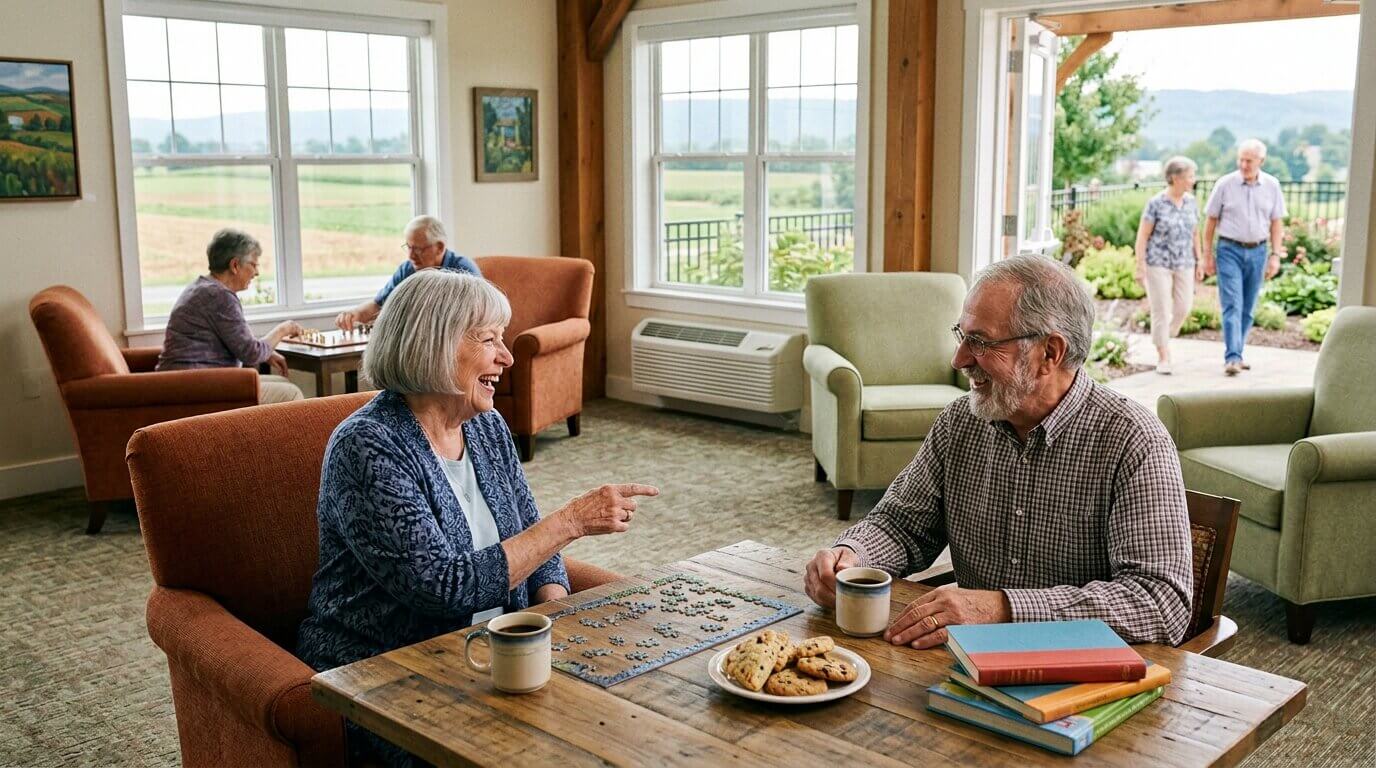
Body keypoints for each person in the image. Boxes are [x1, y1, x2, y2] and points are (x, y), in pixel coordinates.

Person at [297, 269, 658, 766]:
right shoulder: (367, 446)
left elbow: (534, 543)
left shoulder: (486, 426)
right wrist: (572, 520)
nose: (507, 357)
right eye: (489, 340)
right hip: (388, 670)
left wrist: (550, 618)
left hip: (493, 655)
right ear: (434, 346)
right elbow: (439, 588)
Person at [803, 255, 1193, 647]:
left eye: (981, 342)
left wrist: (1002, 610)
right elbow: (901, 526)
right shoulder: (960, 422)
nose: (959, 360)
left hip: (1081, 679)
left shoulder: (1134, 441)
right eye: (962, 335)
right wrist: (851, 556)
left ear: (1049, 353)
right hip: (964, 663)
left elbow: (1160, 603)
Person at [156, 228, 304, 404]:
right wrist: (284, 329)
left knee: (282, 383)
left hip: (187, 381)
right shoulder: (219, 296)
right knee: (291, 394)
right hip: (198, 387)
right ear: (235, 265)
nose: (257, 273)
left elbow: (239, 344)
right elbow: (252, 353)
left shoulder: (202, 287)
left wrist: (267, 352)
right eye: (254, 265)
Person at [1202, 139, 1287, 376]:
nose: (1244, 164)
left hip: (1259, 251)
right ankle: (1233, 357)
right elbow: (1210, 222)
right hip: (1229, 249)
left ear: (1261, 161)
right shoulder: (1225, 184)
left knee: (1248, 308)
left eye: (1249, 160)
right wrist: (1207, 255)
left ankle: (1237, 352)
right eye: (1241, 159)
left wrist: (1275, 256)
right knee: (1232, 304)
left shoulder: (1272, 185)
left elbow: (1276, 223)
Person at [333, 214, 480, 331]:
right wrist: (355, 314)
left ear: (440, 247)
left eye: (418, 249)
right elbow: (379, 305)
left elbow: (478, 317)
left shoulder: (463, 270)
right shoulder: (408, 269)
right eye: (408, 247)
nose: (411, 256)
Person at [1135, 156, 1204, 374]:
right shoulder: (1156, 203)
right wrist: (1140, 265)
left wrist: (1200, 260)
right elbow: (1143, 236)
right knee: (1161, 309)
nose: (1193, 180)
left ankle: (1166, 334)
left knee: (1184, 307)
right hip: (1158, 263)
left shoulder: (1191, 202)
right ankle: (1163, 355)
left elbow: (1195, 233)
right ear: (1175, 178)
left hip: (1185, 262)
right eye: (1189, 176)